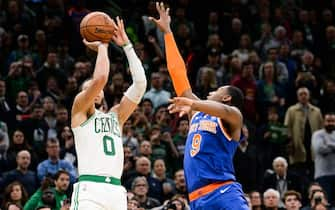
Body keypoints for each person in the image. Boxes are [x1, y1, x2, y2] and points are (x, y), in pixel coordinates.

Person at [150, 2, 249, 209]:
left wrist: (193, 103)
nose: (212, 92)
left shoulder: (233, 117)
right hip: (196, 198)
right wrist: (168, 32)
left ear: (227, 98)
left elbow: (223, 111)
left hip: (223, 193)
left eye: (218, 90)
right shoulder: (197, 113)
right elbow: (178, 74)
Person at [70, 17, 147, 210]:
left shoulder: (116, 116)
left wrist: (127, 46)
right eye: (88, 88)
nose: (94, 90)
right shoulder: (79, 110)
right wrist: (102, 46)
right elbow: (101, 78)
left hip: (115, 191)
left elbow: (140, 84)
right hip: (90, 190)